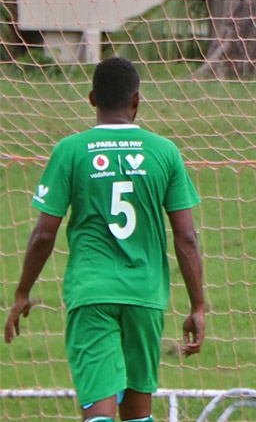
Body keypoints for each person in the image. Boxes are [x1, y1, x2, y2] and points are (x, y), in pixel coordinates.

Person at [4, 56, 207, 422]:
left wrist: (21, 293)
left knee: (99, 411)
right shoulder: (164, 152)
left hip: (92, 294)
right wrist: (198, 306)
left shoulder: (71, 150)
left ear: (92, 98)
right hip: (145, 296)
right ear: (136, 101)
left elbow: (42, 235)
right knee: (137, 415)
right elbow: (187, 237)